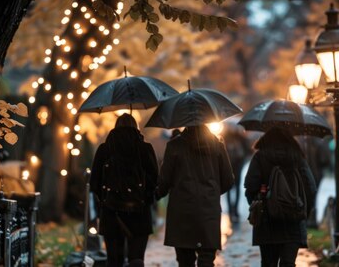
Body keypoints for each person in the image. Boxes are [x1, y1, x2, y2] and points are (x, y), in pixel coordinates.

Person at [157, 125, 235, 267]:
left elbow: (164, 181)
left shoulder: (174, 145)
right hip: (208, 211)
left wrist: (154, 196)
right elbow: (228, 180)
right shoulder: (217, 145)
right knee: (206, 260)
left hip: (181, 212)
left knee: (185, 261)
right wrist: (212, 193)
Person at [89, 114, 158, 267]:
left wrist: (104, 201)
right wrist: (147, 198)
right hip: (140, 213)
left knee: (114, 260)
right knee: (136, 259)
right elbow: (155, 180)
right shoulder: (145, 149)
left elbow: (94, 182)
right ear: (136, 127)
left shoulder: (104, 150)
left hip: (111, 213)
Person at [244, 128, 317, 267]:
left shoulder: (260, 156)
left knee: (268, 263)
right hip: (293, 220)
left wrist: (258, 207)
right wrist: (303, 212)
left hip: (266, 222)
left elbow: (250, 187)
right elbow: (310, 187)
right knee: (288, 263)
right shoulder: (297, 156)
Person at [223, 126, 251, 223]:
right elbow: (248, 151)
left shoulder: (224, 137)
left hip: (228, 166)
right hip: (238, 166)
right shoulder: (240, 137)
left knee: (228, 188)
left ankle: (231, 209)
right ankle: (235, 209)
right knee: (237, 187)